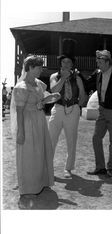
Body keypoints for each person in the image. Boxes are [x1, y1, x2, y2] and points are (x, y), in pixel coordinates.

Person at [10, 55, 60, 208]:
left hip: (39, 121)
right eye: (38, 67)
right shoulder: (21, 87)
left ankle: (42, 182)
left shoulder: (39, 84)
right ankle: (29, 187)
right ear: (30, 68)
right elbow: (19, 111)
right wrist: (20, 132)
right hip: (27, 121)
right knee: (29, 154)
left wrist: (50, 98)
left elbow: (42, 100)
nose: (41, 70)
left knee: (41, 151)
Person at [48, 50, 87, 178]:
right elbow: (54, 90)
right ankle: (48, 167)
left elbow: (82, 95)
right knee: (51, 139)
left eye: (68, 62)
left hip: (72, 110)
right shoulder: (54, 76)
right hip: (58, 108)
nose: (65, 64)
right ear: (60, 63)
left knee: (71, 140)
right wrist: (63, 78)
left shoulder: (77, 78)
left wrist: (76, 107)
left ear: (72, 65)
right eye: (63, 62)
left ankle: (68, 168)